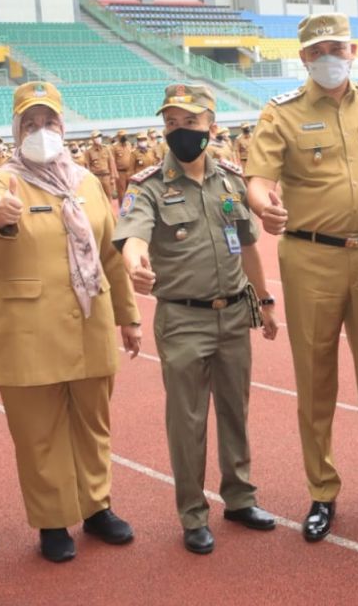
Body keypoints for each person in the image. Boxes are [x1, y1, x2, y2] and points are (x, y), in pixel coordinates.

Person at [244, 12, 358, 542]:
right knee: (316, 376)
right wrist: (263, 205)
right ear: (302, 57)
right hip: (310, 258)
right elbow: (258, 179)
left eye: (337, 48)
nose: (329, 57)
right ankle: (322, 491)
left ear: (354, 50)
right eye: (318, 50)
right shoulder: (281, 115)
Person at [0, 82, 141, 563]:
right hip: (29, 332)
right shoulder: (1, 179)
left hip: (90, 323)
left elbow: (111, 252)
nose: (41, 131)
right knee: (39, 433)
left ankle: (96, 507)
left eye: (49, 123)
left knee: (93, 424)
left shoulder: (87, 182)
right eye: (30, 123)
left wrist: (128, 316)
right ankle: (52, 521)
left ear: (63, 128)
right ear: (15, 130)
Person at [114, 83, 280, 555]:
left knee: (235, 411)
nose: (180, 131)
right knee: (187, 421)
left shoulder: (231, 180)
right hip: (183, 319)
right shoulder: (148, 186)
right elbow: (134, 237)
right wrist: (136, 266)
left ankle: (240, 498)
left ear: (210, 124)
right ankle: (192, 514)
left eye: (189, 122)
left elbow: (248, 244)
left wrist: (264, 302)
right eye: (171, 123)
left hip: (233, 314)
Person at [84, 129, 118, 199]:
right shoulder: (89, 151)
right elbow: (87, 166)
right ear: (93, 139)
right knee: (98, 197)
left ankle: (109, 210)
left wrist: (112, 177)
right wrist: (90, 179)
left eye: (99, 137)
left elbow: (111, 163)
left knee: (108, 196)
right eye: (96, 137)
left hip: (106, 176)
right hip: (96, 177)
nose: (98, 139)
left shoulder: (106, 149)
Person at [111, 129, 135, 197]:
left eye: (125, 135)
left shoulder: (129, 144)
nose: (124, 137)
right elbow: (113, 161)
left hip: (129, 172)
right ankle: (122, 207)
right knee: (121, 193)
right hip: (120, 173)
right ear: (118, 137)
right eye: (122, 136)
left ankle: (131, 207)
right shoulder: (114, 147)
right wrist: (114, 174)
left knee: (130, 191)